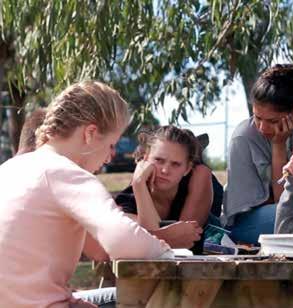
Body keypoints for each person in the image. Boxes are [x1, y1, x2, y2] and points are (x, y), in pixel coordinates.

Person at [0, 81, 171, 308]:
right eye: (111, 144)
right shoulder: (65, 173)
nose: (110, 157)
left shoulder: (10, 169)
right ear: (90, 133)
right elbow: (122, 241)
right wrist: (167, 252)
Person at [222, 64, 293, 244]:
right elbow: (283, 200)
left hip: (286, 214)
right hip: (245, 226)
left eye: (272, 121)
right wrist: (278, 145)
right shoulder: (243, 138)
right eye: (257, 117)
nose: (262, 128)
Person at [115, 125, 222, 254]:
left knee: (202, 171)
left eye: (175, 164)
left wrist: (151, 238)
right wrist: (138, 184)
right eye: (159, 160)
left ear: (187, 169)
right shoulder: (126, 202)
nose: (165, 170)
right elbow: (158, 250)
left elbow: (185, 241)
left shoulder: (199, 175)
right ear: (145, 159)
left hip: (212, 238)